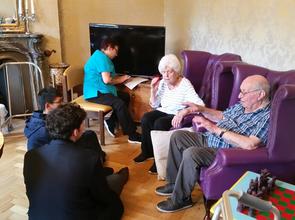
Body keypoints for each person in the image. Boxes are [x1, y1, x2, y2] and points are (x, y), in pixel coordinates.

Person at [155, 75, 271, 213]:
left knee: (191, 153)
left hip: (224, 151)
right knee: (178, 136)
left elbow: (250, 144)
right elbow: (223, 115)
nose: (239, 96)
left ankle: (181, 199)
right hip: (210, 138)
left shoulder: (267, 117)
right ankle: (174, 183)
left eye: (244, 92)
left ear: (260, 95)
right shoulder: (244, 105)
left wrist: (214, 128)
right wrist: (200, 109)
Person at [24, 103, 128, 220]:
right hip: (77, 214)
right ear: (75, 132)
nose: (84, 128)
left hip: (37, 216)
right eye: (82, 125)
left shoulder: (30, 156)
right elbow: (102, 196)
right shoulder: (89, 158)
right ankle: (121, 176)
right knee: (115, 201)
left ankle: (114, 176)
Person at [133, 54, 205, 174]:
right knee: (146, 118)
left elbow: (200, 105)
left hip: (176, 113)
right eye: (163, 72)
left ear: (176, 72)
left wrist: (184, 111)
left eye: (169, 72)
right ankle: (147, 152)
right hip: (164, 110)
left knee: (159, 123)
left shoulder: (185, 84)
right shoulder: (162, 83)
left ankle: (159, 161)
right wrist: (152, 90)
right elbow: (155, 105)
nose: (165, 75)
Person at [84, 37, 141, 144]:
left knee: (124, 96)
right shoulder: (101, 58)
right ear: (110, 48)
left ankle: (111, 120)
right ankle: (132, 135)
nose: (117, 54)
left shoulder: (101, 56)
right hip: (95, 93)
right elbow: (107, 80)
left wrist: (122, 79)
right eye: (116, 50)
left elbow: (108, 77)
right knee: (119, 103)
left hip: (100, 90)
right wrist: (122, 79)